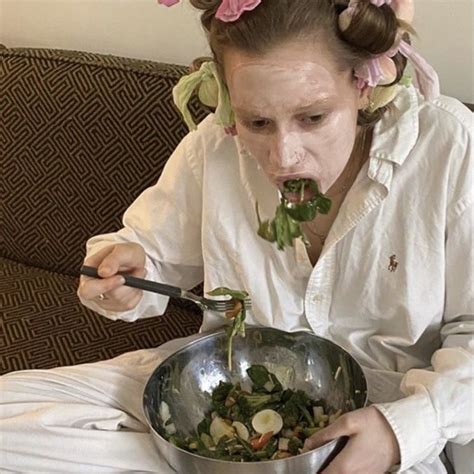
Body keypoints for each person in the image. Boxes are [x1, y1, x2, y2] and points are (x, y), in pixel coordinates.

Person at [1, 0, 472, 472]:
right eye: (258, 123)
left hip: (382, 415)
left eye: (313, 117)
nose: (283, 157)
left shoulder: (449, 145)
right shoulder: (215, 143)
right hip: (221, 390)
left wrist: (405, 428)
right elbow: (151, 258)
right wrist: (125, 269)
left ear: (363, 84)